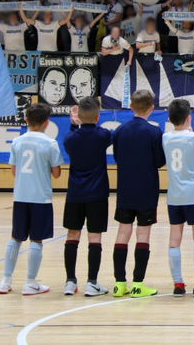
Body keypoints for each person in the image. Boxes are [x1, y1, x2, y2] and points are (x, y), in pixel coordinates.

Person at [0, 103, 63, 295]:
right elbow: (57, 174)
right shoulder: (50, 143)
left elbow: (14, 171)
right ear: (47, 122)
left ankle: (5, 281)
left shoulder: (17, 142)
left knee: (16, 237)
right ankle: (30, 283)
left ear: (26, 120)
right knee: (36, 239)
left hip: (20, 197)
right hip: (40, 198)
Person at [111, 90, 166, 298]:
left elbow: (117, 157)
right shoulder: (154, 132)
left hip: (125, 190)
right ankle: (138, 284)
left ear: (131, 106)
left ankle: (119, 284)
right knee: (143, 235)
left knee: (122, 233)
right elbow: (159, 162)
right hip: (146, 190)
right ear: (151, 108)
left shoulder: (119, 130)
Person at [62, 97, 112, 297]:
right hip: (97, 193)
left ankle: (70, 281)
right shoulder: (103, 135)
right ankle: (92, 282)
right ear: (98, 117)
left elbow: (74, 138)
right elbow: (103, 135)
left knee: (72, 236)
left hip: (75, 193)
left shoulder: (70, 138)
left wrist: (74, 126)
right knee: (95, 237)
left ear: (79, 116)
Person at [163, 99, 194, 298]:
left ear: (169, 119)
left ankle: (178, 284)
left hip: (174, 196)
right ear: (189, 118)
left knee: (175, 239)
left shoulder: (165, 137)